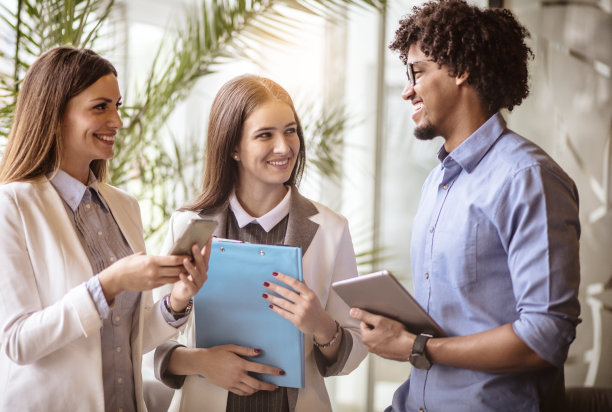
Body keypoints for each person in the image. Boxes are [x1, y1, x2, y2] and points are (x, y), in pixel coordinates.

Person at [349, 1, 581, 411]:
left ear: (460, 70)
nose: (407, 90)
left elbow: (545, 338)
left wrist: (417, 346)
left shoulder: (528, 178)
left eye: (417, 72)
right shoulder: (437, 181)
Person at [0, 46, 211, 411]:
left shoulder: (124, 206)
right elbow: (18, 342)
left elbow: (132, 339)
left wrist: (178, 298)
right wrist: (109, 284)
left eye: (118, 105)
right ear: (56, 113)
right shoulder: (13, 206)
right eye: (101, 107)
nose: (116, 121)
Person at [149, 74, 367, 412]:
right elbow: (151, 343)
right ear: (233, 147)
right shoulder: (188, 224)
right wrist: (202, 362)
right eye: (265, 135)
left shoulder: (331, 229)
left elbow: (353, 354)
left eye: (290, 130)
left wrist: (322, 325)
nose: (284, 147)